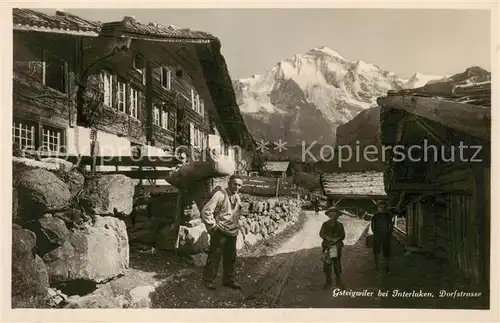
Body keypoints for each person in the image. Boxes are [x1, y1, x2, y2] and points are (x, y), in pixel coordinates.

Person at [201, 174, 244, 290]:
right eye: (235, 184)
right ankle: (208, 280)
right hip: (220, 231)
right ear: (229, 183)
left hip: (232, 232)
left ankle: (228, 280)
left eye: (239, 185)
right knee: (214, 256)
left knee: (230, 257)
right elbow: (206, 211)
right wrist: (212, 227)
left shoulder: (237, 197)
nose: (237, 187)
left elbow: (236, 213)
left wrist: (237, 226)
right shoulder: (220, 195)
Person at [319, 206, 346, 289]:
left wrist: (337, 239)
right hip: (327, 247)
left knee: (337, 264)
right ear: (329, 216)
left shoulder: (340, 225)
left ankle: (338, 282)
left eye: (335, 215)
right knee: (327, 264)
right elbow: (321, 234)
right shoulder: (325, 224)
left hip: (337, 247)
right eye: (332, 215)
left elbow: (342, 235)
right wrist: (327, 238)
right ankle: (328, 283)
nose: (333, 217)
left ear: (338, 216)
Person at [370, 200, 395, 273]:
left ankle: (387, 267)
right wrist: (376, 233)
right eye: (380, 207)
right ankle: (376, 267)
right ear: (378, 208)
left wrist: (388, 234)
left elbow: (391, 226)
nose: (382, 208)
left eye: (384, 207)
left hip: (386, 237)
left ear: (386, 207)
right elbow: (372, 226)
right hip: (377, 237)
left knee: (386, 253)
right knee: (376, 252)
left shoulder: (388, 216)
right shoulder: (375, 216)